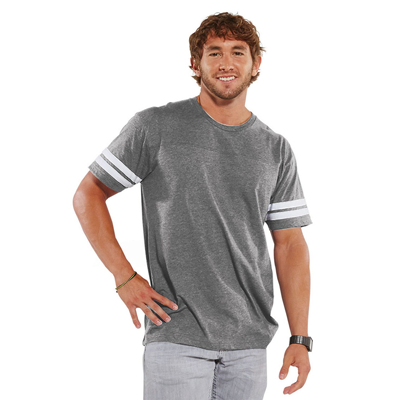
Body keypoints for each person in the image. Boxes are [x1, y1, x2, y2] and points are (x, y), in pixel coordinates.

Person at [73, 11, 313, 399]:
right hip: (177, 334)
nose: (226, 63)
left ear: (256, 64)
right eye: (214, 52)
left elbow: (290, 244)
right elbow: (88, 194)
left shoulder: (275, 149)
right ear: (195, 64)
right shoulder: (156, 126)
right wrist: (124, 276)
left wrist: (300, 337)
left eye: (237, 52)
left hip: (250, 345)